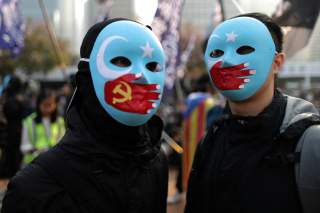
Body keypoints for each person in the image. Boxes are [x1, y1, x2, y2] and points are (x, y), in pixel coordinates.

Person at [2, 18, 168, 213]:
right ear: (86, 78)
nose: (142, 76)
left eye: (152, 66)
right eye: (121, 61)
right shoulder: (33, 189)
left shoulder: (156, 163)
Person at [185, 13, 320, 213]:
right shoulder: (211, 140)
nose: (227, 61)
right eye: (217, 53)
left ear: (277, 63)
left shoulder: (310, 142)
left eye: (245, 49)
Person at [21, 90, 65, 164]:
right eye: (45, 105)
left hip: (54, 161)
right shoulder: (29, 121)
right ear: (39, 104)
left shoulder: (59, 121)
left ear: (55, 105)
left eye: (50, 104)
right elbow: (24, 146)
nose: (47, 108)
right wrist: (35, 150)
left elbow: (63, 141)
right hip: (33, 162)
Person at [0, 76, 25, 209]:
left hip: (15, 132)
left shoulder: (11, 96)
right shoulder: (9, 98)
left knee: (13, 159)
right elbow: (12, 111)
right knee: (9, 159)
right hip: (10, 133)